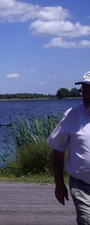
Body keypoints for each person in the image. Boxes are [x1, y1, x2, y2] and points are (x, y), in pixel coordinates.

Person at [47, 71, 90, 225]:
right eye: (84, 91)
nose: (86, 96)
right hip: (82, 186)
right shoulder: (72, 115)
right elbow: (58, 148)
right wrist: (59, 184)